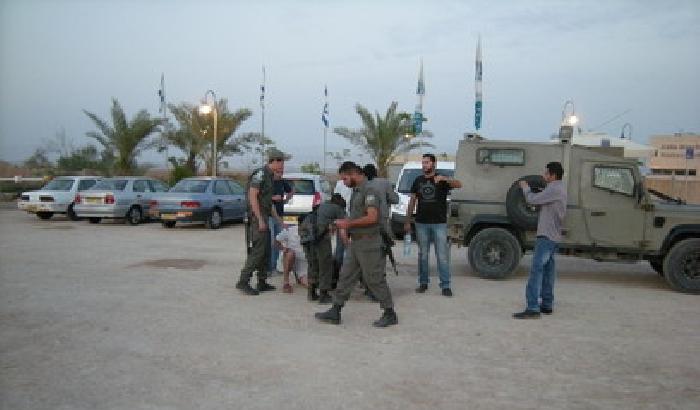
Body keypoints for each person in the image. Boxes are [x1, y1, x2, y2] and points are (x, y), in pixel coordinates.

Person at [315, 161, 397, 327]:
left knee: (374, 279)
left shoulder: (369, 190)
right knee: (345, 277)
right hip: (357, 242)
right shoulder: (357, 191)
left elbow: (372, 217)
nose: (344, 183)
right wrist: (345, 224)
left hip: (369, 243)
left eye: (345, 179)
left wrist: (348, 224)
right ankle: (336, 310)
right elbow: (357, 216)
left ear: (353, 174)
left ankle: (389, 312)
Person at [513, 162, 567, 319]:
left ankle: (532, 308)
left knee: (536, 271)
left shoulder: (554, 188)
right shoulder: (559, 188)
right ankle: (547, 304)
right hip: (553, 236)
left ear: (553, 175)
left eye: (546, 173)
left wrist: (525, 187)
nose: (543, 176)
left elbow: (532, 200)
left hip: (546, 235)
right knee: (548, 272)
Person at [405, 153, 462, 297]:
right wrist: (407, 220)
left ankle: (445, 285)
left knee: (442, 255)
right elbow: (412, 201)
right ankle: (423, 283)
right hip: (421, 222)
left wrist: (445, 179)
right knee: (423, 255)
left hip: (439, 223)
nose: (424, 165)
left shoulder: (441, 179)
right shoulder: (418, 180)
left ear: (434, 164)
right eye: (423, 163)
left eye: (427, 163)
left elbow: (459, 184)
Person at [236, 148, 287, 295]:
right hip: (258, 217)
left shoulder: (270, 177)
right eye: (281, 162)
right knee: (258, 251)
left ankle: (262, 281)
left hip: (265, 215)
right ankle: (243, 281)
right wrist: (260, 220)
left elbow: (267, 203)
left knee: (266, 250)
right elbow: (253, 197)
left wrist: (278, 221)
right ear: (274, 161)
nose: (282, 166)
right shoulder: (261, 174)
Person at [310, 193, 346, 304]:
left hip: (310, 237)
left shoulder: (323, 205)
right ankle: (323, 294)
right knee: (326, 265)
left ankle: (311, 293)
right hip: (322, 238)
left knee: (315, 264)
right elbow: (343, 227)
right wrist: (347, 243)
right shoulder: (338, 208)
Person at [269, 171, 294, 275]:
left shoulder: (282, 182)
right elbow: (263, 198)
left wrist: (285, 199)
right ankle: (268, 268)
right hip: (270, 216)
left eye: (282, 172)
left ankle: (274, 267)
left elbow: (292, 191)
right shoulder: (269, 183)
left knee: (278, 241)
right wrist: (273, 198)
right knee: (270, 242)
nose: (280, 174)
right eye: (278, 172)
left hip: (280, 215)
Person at [275, 223, 308, 293]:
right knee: (290, 254)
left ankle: (299, 277)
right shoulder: (290, 230)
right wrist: (284, 249)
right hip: (291, 258)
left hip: (304, 262)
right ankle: (286, 282)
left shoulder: (314, 231)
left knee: (308, 285)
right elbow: (276, 241)